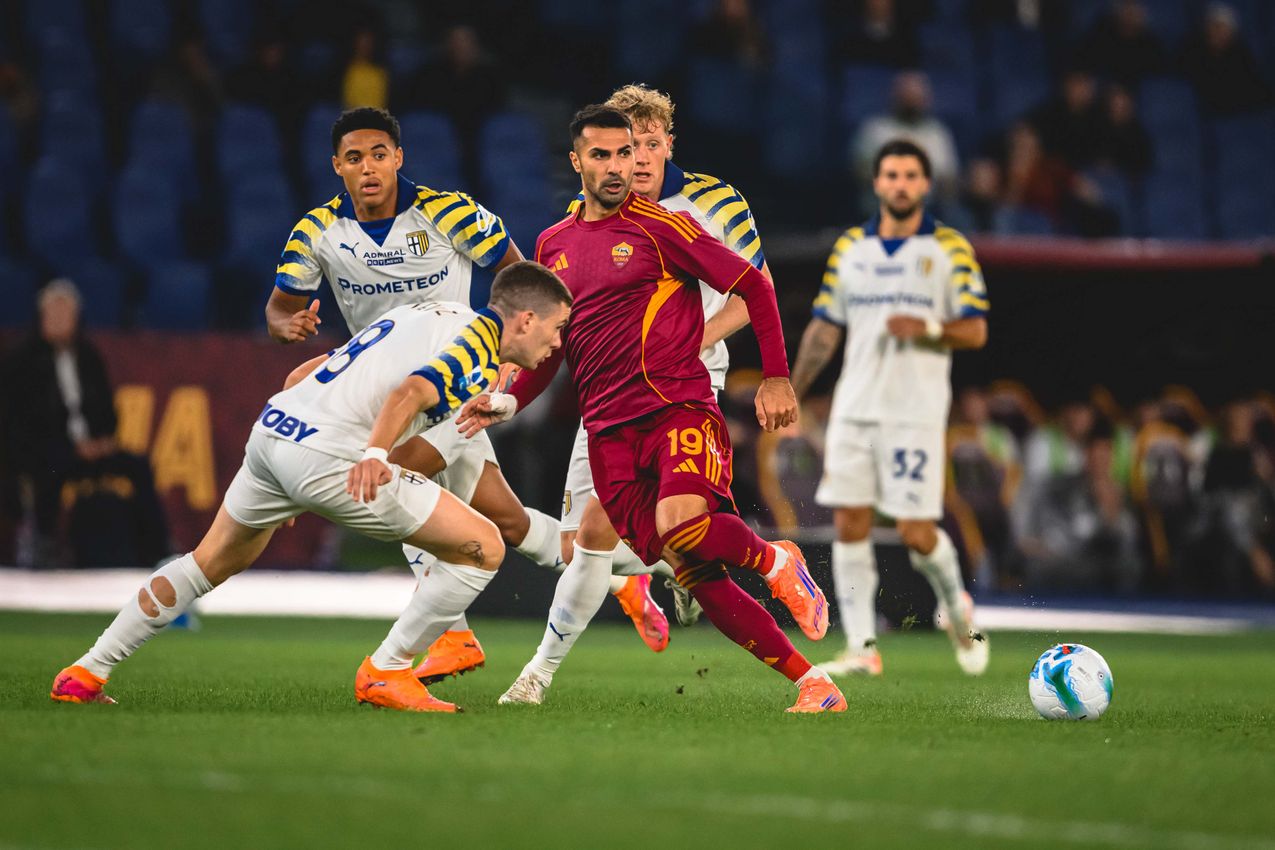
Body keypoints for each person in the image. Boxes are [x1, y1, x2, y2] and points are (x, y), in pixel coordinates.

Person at [50, 262, 572, 711]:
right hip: (331, 456)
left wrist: (295, 476)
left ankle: (86, 672)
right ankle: (388, 670)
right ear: (525, 320)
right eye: (556, 328)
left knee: (206, 562)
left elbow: (306, 374)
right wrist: (371, 456)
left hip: (276, 430)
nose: (557, 343)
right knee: (483, 547)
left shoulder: (423, 314)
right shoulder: (476, 347)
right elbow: (411, 396)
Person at [460, 105, 845, 713]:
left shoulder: (664, 225)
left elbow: (754, 283)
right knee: (690, 568)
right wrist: (507, 399)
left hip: (677, 406)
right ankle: (814, 684)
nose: (621, 166)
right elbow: (549, 350)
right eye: (604, 154)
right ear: (576, 162)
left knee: (680, 525)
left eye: (628, 152)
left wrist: (776, 377)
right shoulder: (552, 244)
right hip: (607, 430)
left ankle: (776, 558)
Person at [265, 106, 663, 683]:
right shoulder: (316, 231)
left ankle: (457, 637)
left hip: (447, 387)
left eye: (379, 154)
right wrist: (287, 325)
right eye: (355, 158)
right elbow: (280, 308)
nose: (369, 167)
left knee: (402, 487)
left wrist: (506, 352)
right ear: (337, 166)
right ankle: (626, 572)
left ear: (398, 158)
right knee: (506, 523)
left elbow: (523, 280)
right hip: (380, 389)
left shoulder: (448, 211)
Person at [516, 82, 774, 680]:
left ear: (667, 145)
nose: (638, 160)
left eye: (651, 144)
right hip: (609, 396)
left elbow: (754, 290)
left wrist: (690, 341)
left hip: (687, 385)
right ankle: (658, 572)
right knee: (577, 545)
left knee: (640, 529)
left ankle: (537, 677)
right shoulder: (588, 219)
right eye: (629, 147)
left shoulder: (713, 202)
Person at [789, 139, 991, 678]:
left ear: (925, 184)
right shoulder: (851, 247)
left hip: (914, 413)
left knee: (915, 532)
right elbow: (825, 328)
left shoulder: (949, 248)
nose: (900, 185)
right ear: (877, 183)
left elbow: (975, 330)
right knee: (849, 522)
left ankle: (957, 607)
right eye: (891, 175)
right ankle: (862, 647)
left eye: (910, 176)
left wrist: (929, 327)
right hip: (854, 407)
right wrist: (793, 387)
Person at [1, 280, 168, 568]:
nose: (60, 320)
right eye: (54, 314)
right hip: (46, 450)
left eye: (66, 314)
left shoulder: (89, 356)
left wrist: (103, 440)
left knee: (138, 466)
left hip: (91, 448)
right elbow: (18, 422)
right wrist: (71, 446)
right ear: (41, 317)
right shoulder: (21, 361)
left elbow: (108, 410)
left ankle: (157, 547)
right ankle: (44, 544)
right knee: (49, 469)